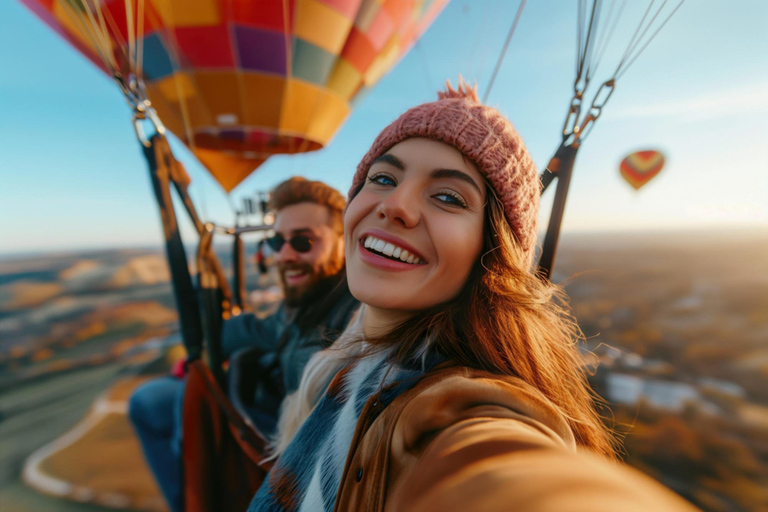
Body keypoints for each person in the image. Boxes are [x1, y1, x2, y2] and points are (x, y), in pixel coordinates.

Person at [247, 80, 702, 512]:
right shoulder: (342, 364)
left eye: (447, 197)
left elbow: (501, 461)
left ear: (490, 253)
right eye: (383, 179)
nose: (396, 205)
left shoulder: (452, 403)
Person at [128, 177, 359, 512]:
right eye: (277, 241)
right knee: (150, 400)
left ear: (345, 240)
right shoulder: (305, 301)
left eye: (304, 241)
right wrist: (202, 351)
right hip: (264, 406)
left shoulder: (354, 310)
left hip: (280, 451)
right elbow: (258, 329)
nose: (286, 255)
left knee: (149, 405)